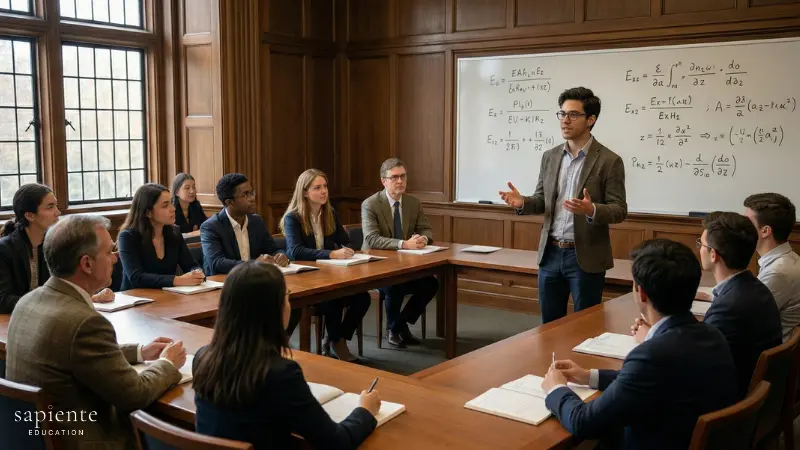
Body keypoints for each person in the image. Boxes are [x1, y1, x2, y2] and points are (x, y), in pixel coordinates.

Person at [5, 214, 187, 450]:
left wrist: (140, 352)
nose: (115, 258)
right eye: (109, 252)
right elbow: (135, 394)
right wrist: (168, 364)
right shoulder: (85, 323)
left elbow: (72, 352)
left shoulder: (28, 302)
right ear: (86, 264)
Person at [542, 239, 737, 450]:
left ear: (641, 292)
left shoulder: (651, 356)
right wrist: (589, 376)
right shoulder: (713, 335)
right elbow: (648, 380)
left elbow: (584, 422)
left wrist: (557, 389)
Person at [193, 261, 380, 449]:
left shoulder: (202, 357)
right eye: (287, 296)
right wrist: (365, 410)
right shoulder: (280, 374)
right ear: (273, 309)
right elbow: (337, 442)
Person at [498, 87, 627, 324]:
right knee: (549, 325)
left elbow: (619, 210)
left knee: (585, 326)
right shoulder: (550, 156)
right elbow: (542, 201)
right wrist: (523, 202)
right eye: (562, 113)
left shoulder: (609, 161)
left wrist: (592, 210)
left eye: (573, 114)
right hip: (551, 253)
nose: (565, 120)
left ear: (591, 120)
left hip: (585, 256)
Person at [634, 212, 781, 398]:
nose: (699, 249)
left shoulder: (729, 307)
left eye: (701, 244)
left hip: (730, 404)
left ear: (713, 255)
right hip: (758, 395)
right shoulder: (753, 287)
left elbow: (692, 362)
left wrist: (651, 336)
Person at [280, 169, 371, 362]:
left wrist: (348, 250)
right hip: (304, 278)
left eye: (325, 187)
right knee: (332, 300)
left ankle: (336, 339)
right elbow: (295, 251)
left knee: (363, 297)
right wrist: (330, 253)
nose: (324, 191)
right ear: (305, 192)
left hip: (330, 274)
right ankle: (334, 343)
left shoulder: (330, 213)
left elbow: (346, 241)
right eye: (317, 188)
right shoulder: (293, 218)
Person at [361, 158, 439, 348]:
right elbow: (372, 239)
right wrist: (404, 244)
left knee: (430, 284)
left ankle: (399, 324)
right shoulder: (371, 204)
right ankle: (393, 329)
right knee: (394, 286)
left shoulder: (413, 203)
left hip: (406, 265)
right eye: (394, 177)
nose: (400, 181)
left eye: (403, 176)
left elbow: (426, 229)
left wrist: (423, 239)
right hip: (377, 266)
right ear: (384, 181)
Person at [0, 183, 112, 313]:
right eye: (50, 207)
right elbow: (3, 300)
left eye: (56, 206)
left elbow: (66, 284)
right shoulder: (4, 249)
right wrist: (51, 301)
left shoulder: (55, 243)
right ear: (30, 215)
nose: (58, 212)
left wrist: (91, 295)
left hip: (51, 315)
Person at [117, 183, 205, 290]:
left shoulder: (174, 232)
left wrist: (196, 272)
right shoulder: (127, 237)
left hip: (168, 297)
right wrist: (178, 280)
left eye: (171, 203)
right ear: (148, 213)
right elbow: (137, 277)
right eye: (165, 205)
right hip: (135, 299)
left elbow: (191, 265)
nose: (173, 209)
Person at [200, 173, 289, 275]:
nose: (252, 198)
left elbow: (273, 249)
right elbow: (217, 263)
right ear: (230, 202)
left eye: (252, 192)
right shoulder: (211, 227)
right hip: (226, 284)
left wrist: (281, 255)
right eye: (245, 194)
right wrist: (253, 264)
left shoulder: (256, 221)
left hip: (254, 279)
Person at [743, 193, 800, 341]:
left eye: (747, 223)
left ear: (765, 231)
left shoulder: (778, 272)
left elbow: (744, 317)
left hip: (768, 355)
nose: (742, 229)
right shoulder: (787, 259)